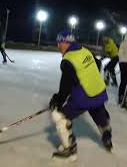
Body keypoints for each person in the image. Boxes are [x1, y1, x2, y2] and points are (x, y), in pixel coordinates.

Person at [49, 30, 113, 162]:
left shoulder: (68, 60)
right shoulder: (84, 50)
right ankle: (106, 134)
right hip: (99, 91)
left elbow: (65, 86)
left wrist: (58, 100)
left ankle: (69, 151)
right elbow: (98, 63)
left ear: (65, 43)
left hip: (85, 96)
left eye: (59, 43)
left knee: (59, 117)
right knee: (97, 109)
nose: (58, 46)